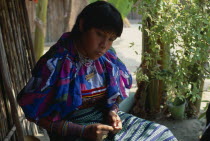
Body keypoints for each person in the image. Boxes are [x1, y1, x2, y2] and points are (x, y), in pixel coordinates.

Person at [17, 1, 177, 141]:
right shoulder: (55, 64)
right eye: (99, 34)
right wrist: (83, 131)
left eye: (111, 39)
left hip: (104, 122)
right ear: (82, 25)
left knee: (162, 134)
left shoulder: (108, 59)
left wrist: (113, 112)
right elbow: (37, 115)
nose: (104, 45)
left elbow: (113, 97)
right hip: (72, 131)